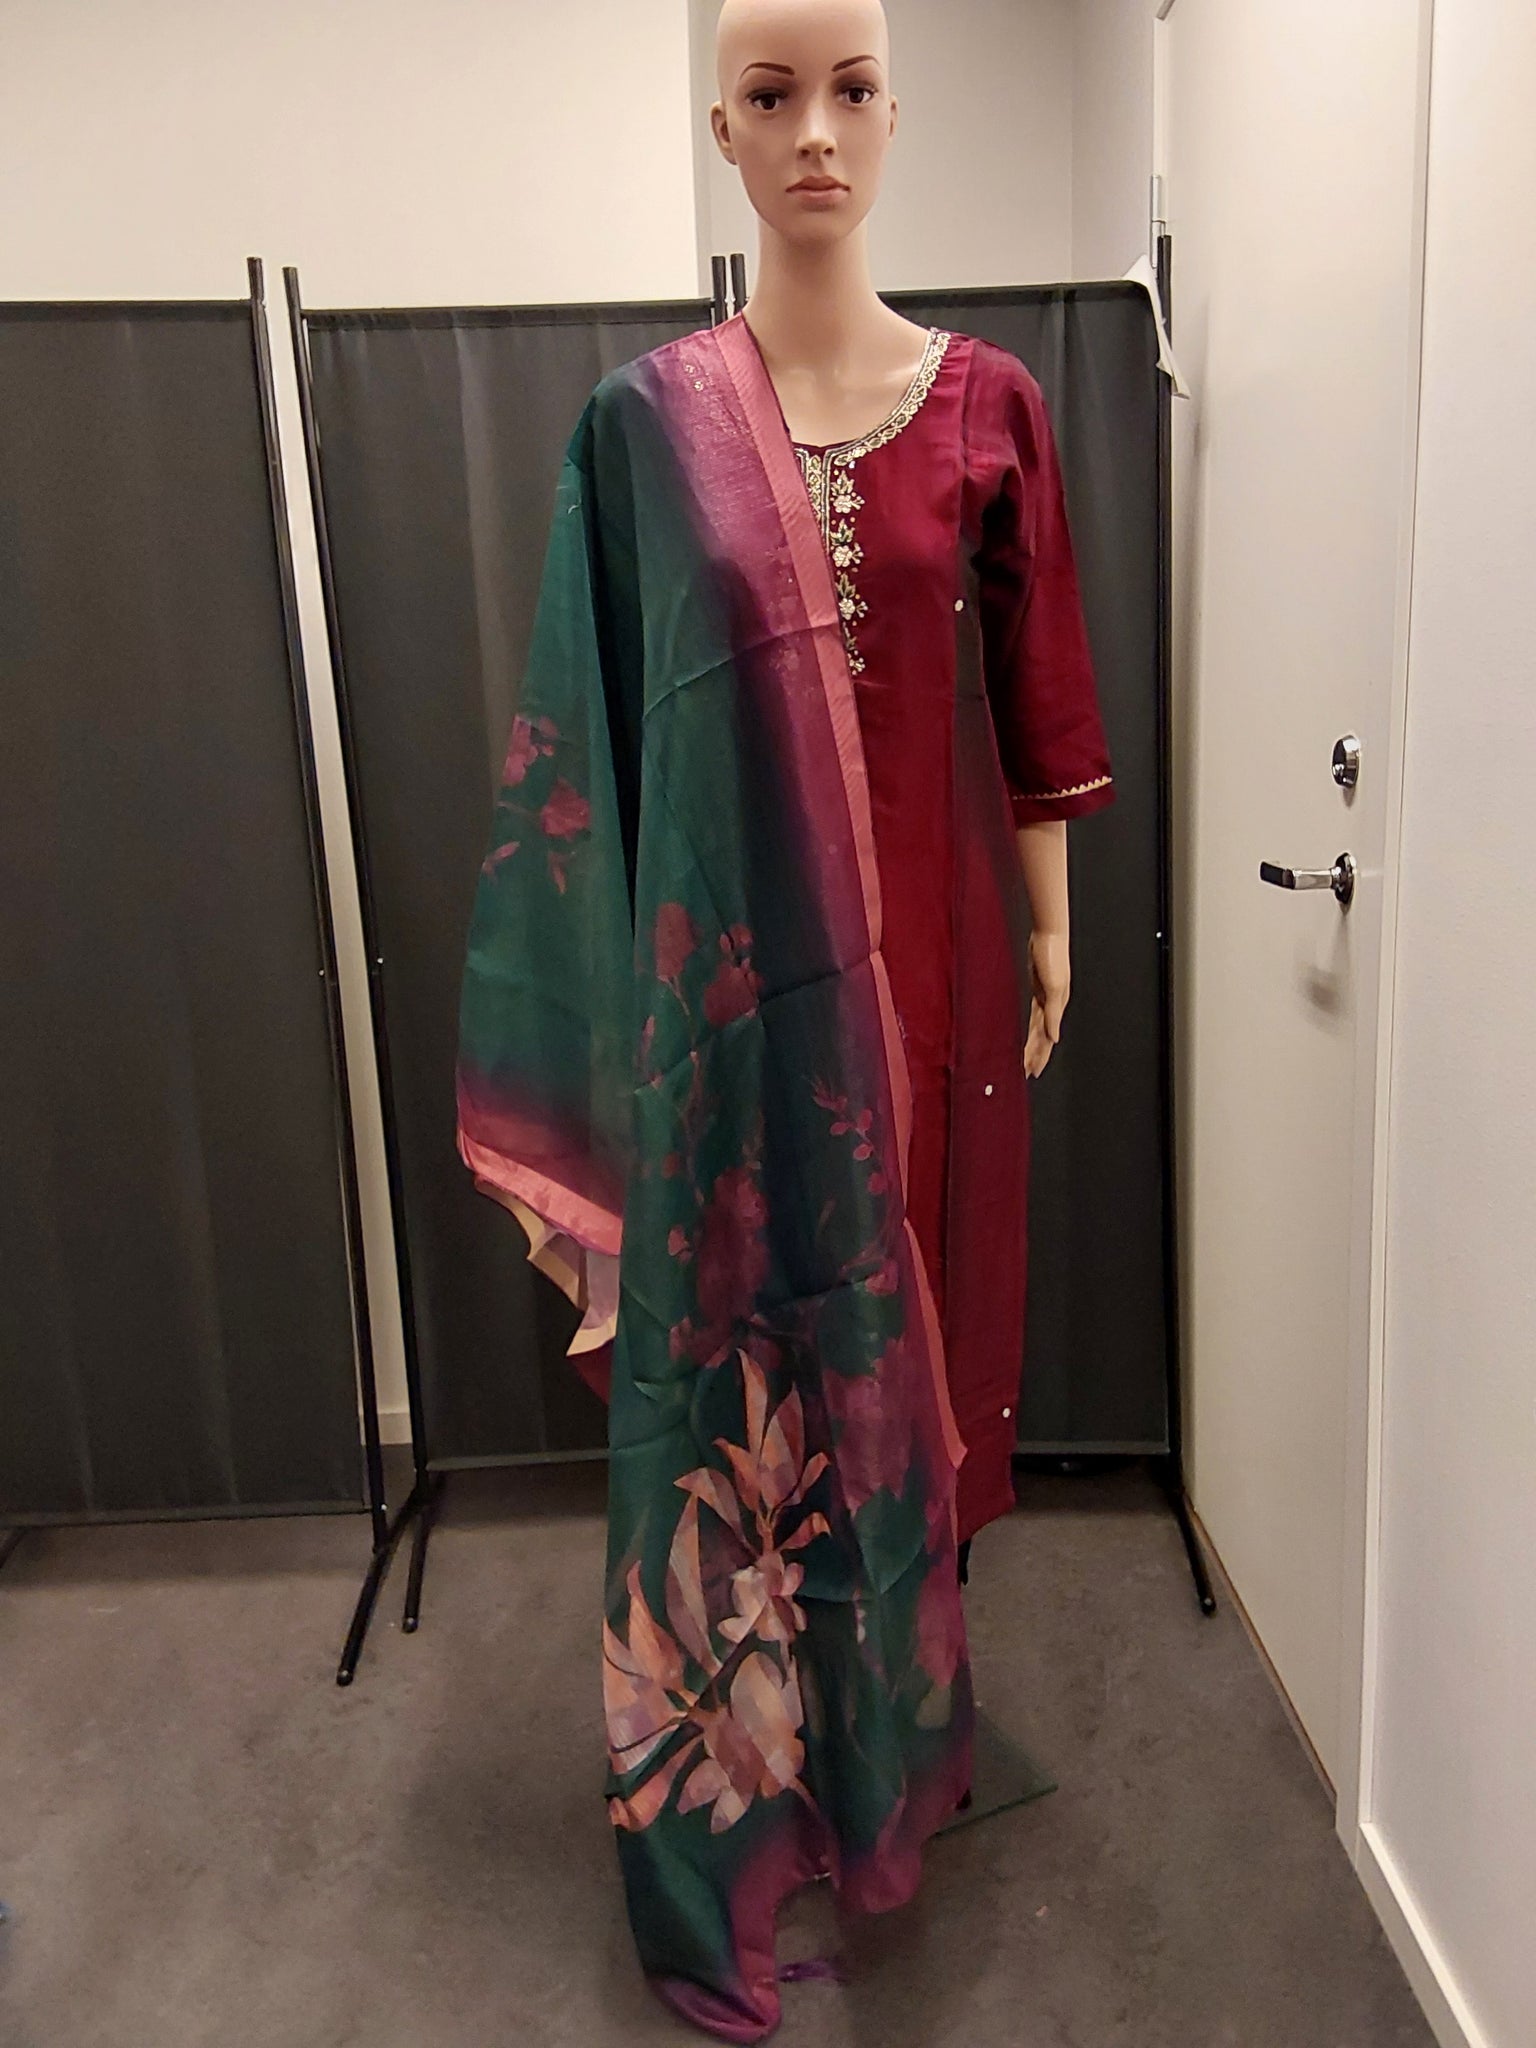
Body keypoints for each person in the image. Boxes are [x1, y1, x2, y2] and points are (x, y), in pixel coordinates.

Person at [455, 0, 1114, 2034]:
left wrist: (1047, 928)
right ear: (722, 131)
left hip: (945, 1020)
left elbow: (1038, 707)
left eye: (848, 90)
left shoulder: (992, 405)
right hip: (740, 1041)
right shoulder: (641, 433)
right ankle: (748, 1790)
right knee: (750, 1398)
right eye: (770, 94)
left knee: (917, 1381)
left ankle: (893, 1759)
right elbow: (593, 752)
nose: (814, 129)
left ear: (896, 118)